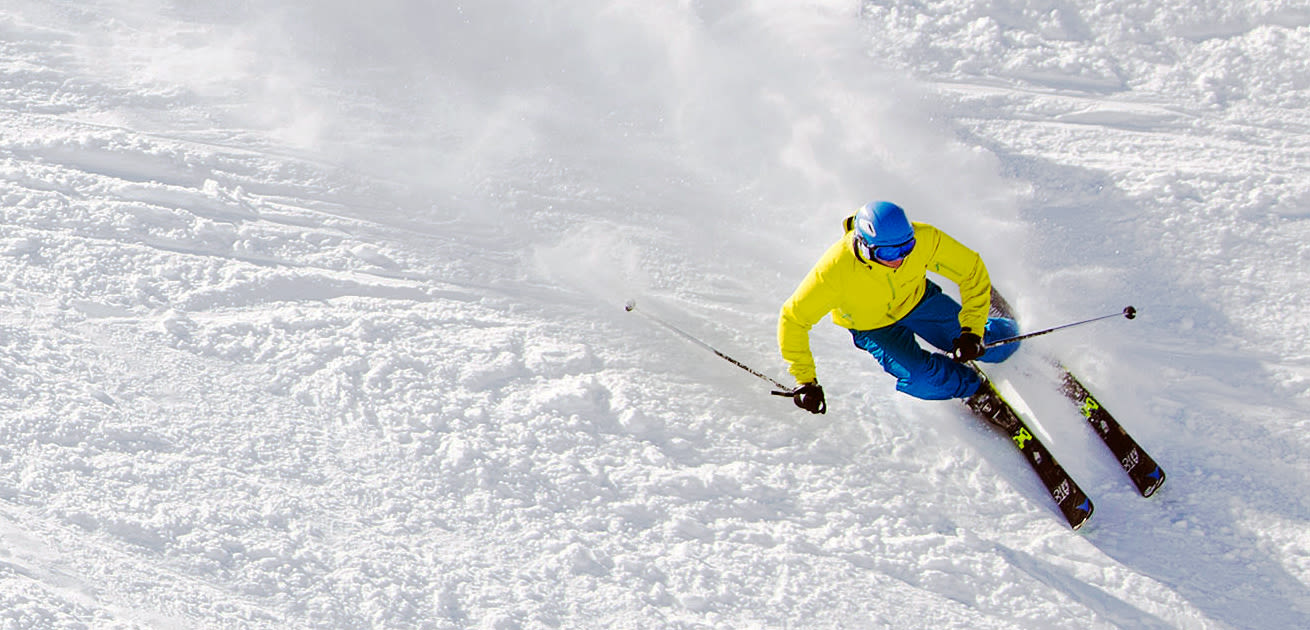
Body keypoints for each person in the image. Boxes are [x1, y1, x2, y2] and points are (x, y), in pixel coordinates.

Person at [777, 201, 1020, 414]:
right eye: (888, 251)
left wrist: (972, 331)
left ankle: (1000, 327)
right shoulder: (833, 272)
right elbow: (793, 319)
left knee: (1001, 345)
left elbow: (971, 270)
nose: (899, 258)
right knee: (921, 378)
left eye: (906, 248)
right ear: (864, 246)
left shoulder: (924, 239)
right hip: (872, 327)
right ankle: (971, 389)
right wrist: (805, 379)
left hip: (918, 301)